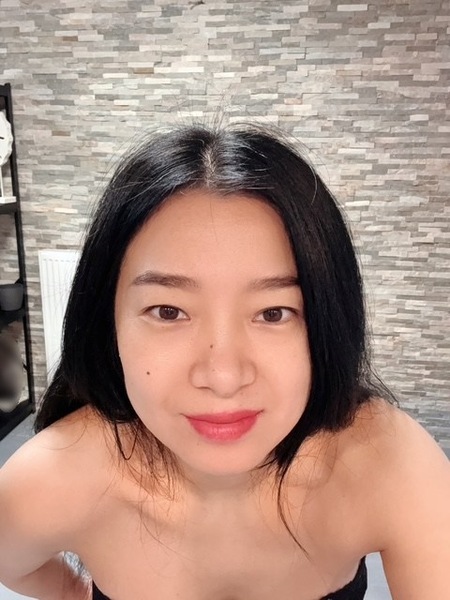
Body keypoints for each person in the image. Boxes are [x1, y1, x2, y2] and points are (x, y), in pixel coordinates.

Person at [0, 122, 448, 600]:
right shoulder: (52, 478)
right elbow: (14, 565)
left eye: (273, 313)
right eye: (168, 312)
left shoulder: (388, 464)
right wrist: (74, 590)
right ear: (107, 324)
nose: (223, 376)